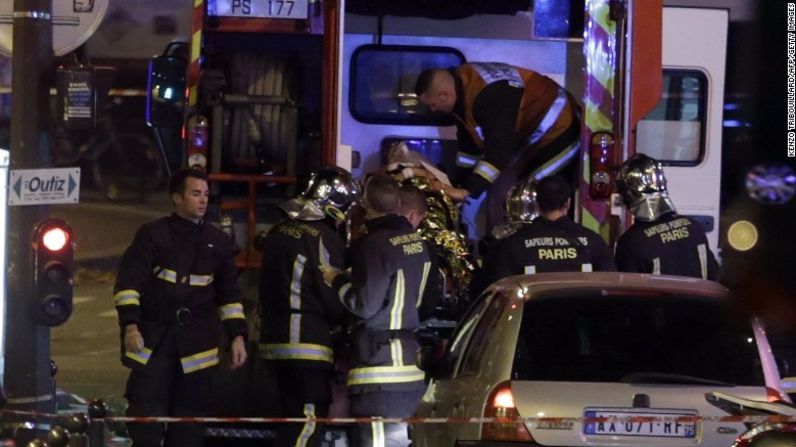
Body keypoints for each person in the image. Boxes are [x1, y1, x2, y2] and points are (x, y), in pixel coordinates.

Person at [113, 168, 248, 447]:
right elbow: (129, 284)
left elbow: (230, 296)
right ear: (176, 198)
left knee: (189, 429)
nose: (203, 201)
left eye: (206, 195)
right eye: (195, 193)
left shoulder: (218, 242)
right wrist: (130, 326)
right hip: (155, 342)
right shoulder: (152, 235)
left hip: (197, 347)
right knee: (146, 423)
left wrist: (237, 336)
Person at [322, 175, 431, 447]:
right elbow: (427, 304)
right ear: (397, 203)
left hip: (378, 369)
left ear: (366, 205)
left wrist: (335, 279)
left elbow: (364, 305)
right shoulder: (420, 244)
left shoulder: (372, 245)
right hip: (411, 368)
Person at [414, 62, 580, 237]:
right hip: (532, 136)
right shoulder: (462, 86)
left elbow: (499, 152)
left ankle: (550, 246)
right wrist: (457, 183)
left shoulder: (490, 95)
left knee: (538, 197)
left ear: (444, 95)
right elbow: (469, 148)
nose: (433, 110)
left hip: (559, 128)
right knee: (509, 190)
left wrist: (467, 191)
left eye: (433, 105)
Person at [258, 166, 361, 447]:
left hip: (274, 341)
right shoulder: (323, 237)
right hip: (308, 344)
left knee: (291, 419)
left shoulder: (279, 232)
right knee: (308, 421)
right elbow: (332, 294)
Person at [475, 175, 615, 293]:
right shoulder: (594, 242)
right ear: (568, 203)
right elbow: (611, 288)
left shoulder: (513, 244)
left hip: (531, 323)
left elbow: (497, 291)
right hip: (582, 323)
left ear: (538, 204)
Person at [614, 153, 719, 279]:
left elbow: (626, 291)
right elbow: (715, 278)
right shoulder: (695, 229)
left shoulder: (631, 242)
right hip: (700, 299)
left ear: (628, 195)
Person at [398, 184, 441, 322]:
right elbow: (428, 304)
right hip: (408, 328)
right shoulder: (426, 249)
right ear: (413, 215)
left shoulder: (371, 240)